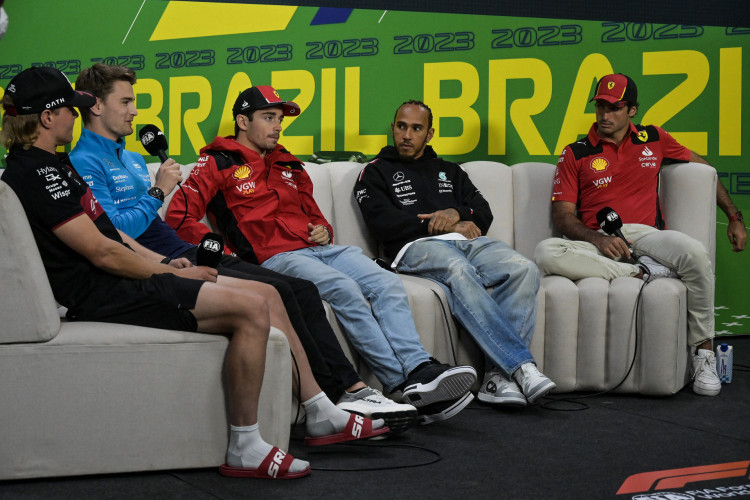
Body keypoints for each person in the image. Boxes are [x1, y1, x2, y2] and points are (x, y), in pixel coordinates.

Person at [1, 66, 388, 480]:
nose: (75, 118)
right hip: (104, 293)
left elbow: (111, 235)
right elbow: (103, 254)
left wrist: (165, 265)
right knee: (254, 307)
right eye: (69, 110)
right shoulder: (35, 174)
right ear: (46, 117)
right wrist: (170, 272)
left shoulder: (54, 165)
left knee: (270, 296)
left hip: (126, 277)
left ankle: (319, 411)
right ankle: (246, 445)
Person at [69, 63, 416, 432]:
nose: (135, 110)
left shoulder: (134, 158)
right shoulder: (83, 161)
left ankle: (351, 391)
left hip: (181, 251)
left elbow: (152, 225)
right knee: (285, 288)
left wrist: (320, 231)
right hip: (160, 262)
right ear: (95, 106)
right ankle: (338, 395)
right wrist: (159, 194)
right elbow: (113, 233)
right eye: (126, 102)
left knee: (300, 290)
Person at [165, 85, 478, 424]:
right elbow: (180, 217)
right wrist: (226, 255)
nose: (277, 126)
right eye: (268, 118)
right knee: (344, 289)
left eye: (280, 119)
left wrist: (322, 229)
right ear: (243, 120)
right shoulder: (217, 160)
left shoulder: (289, 164)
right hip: (276, 258)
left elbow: (314, 214)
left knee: (385, 282)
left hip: (321, 248)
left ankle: (419, 367)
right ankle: (400, 383)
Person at [534, 73, 748, 397]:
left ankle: (703, 354)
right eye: (601, 106)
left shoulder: (654, 138)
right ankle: (641, 272)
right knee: (546, 252)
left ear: (632, 110)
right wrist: (598, 239)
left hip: (647, 235)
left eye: (615, 108)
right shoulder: (575, 152)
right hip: (595, 240)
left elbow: (705, 170)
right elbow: (562, 217)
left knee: (696, 253)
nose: (605, 115)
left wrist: (734, 216)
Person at [353, 100, 556, 407]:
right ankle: (520, 367)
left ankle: (495, 378)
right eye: (401, 126)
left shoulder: (450, 171)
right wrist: (438, 225)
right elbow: (383, 223)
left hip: (465, 242)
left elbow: (482, 211)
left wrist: (453, 212)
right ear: (393, 128)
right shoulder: (375, 172)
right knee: (458, 268)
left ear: (430, 133)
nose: (407, 135)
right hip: (414, 248)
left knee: (523, 267)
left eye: (416, 128)